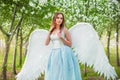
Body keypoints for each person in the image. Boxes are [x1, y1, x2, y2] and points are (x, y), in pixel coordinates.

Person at [44, 12, 82, 80]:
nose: (59, 19)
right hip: (54, 54)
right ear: (54, 19)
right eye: (58, 18)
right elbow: (46, 43)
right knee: (55, 72)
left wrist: (61, 38)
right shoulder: (52, 30)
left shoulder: (64, 29)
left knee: (63, 73)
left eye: (61, 18)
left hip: (63, 53)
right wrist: (49, 31)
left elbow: (70, 44)